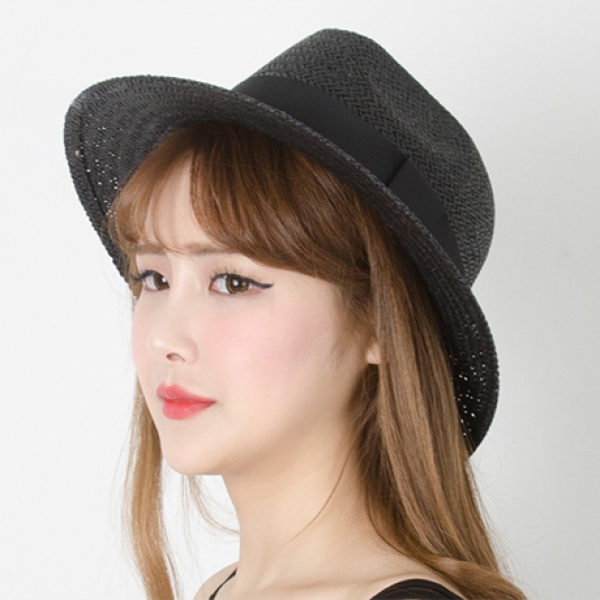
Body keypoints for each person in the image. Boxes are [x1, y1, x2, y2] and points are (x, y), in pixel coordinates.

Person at [64, 29, 526, 600]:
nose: (164, 338)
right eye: (153, 278)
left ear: (379, 324)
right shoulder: (220, 590)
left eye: (233, 282)